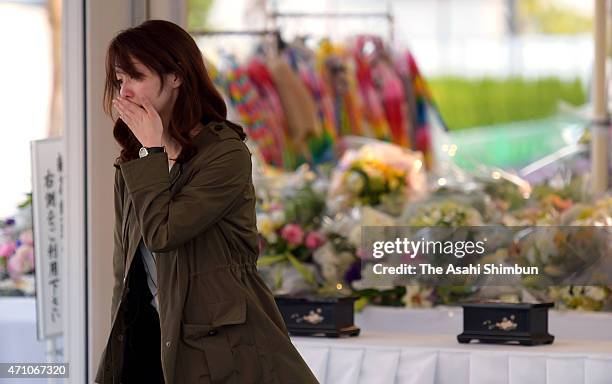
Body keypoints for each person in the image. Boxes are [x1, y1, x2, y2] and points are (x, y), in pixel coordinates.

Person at [95, 19, 320, 384]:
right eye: (120, 81)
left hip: (219, 352)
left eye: (136, 77)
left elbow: (163, 234)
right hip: (149, 341)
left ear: (176, 77)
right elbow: (125, 269)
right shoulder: (133, 161)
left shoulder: (224, 155)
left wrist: (152, 150)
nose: (126, 92)